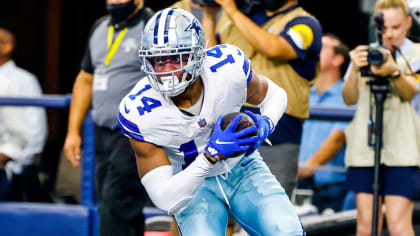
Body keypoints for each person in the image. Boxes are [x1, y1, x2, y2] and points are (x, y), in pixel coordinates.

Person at [118, 8, 304, 235]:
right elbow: (165, 198)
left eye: (175, 59)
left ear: (196, 54)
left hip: (243, 168)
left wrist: (266, 123)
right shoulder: (138, 111)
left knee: (286, 231)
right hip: (192, 183)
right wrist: (210, 156)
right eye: (158, 61)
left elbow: (275, 94)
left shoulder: (226, 67)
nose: (166, 71)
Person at [201, 0, 322, 198]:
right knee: (222, 204)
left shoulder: (305, 23)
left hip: (279, 128)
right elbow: (212, 60)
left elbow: (272, 48)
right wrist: (209, 16)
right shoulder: (242, 17)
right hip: (231, 122)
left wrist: (231, 9)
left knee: (271, 208)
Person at [62, 1, 153, 235]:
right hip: (103, 131)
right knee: (113, 203)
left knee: (116, 201)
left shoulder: (151, 26)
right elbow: (85, 79)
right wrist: (73, 132)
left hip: (135, 131)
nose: (114, 1)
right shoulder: (100, 26)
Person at [342, 0, 420, 235]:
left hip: (403, 148)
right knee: (365, 226)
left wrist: (393, 71)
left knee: (398, 223)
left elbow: (410, 91)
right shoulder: (365, 53)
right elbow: (348, 98)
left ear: (408, 23)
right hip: (365, 148)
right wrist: (355, 69)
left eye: (396, 27)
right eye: (384, 28)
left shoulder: (416, 53)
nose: (390, 35)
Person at [297, 33, 352, 213]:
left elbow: (338, 137)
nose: (315, 49)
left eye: (323, 46)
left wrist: (307, 168)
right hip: (298, 182)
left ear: (338, 59)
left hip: (331, 185)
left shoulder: (348, 95)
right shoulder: (305, 93)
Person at [0, 28, 47, 202]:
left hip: (12, 171)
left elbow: (35, 130)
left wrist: (17, 166)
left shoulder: (22, 80)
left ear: (7, 47)